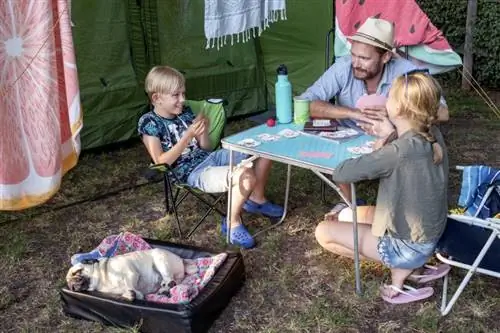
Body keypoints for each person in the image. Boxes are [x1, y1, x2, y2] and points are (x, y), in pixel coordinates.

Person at [314, 71, 449, 304]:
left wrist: (379, 147)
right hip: (430, 233)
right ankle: (416, 265)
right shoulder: (432, 134)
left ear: (398, 109)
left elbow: (343, 172)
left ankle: (404, 270)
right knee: (346, 214)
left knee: (323, 232)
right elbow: (406, 147)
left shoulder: (397, 152)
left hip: (406, 248)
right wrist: (389, 136)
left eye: (389, 97)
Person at [299, 17, 449, 212]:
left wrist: (396, 110)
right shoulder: (345, 67)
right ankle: (350, 203)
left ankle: (403, 205)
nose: (356, 63)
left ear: (386, 57)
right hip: (349, 138)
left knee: (421, 139)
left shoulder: (407, 73)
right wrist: (351, 113)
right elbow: (305, 103)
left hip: (395, 140)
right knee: (326, 132)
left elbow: (443, 113)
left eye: (364, 58)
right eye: (354, 55)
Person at [138, 66, 283, 249]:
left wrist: (203, 130)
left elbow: (205, 147)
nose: (182, 99)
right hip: (191, 172)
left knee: (264, 149)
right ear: (156, 98)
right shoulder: (149, 122)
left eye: (183, 93)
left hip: (210, 157)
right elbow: (161, 162)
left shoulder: (184, 111)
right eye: (176, 95)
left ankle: (256, 199)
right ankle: (231, 222)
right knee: (245, 175)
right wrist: (187, 136)